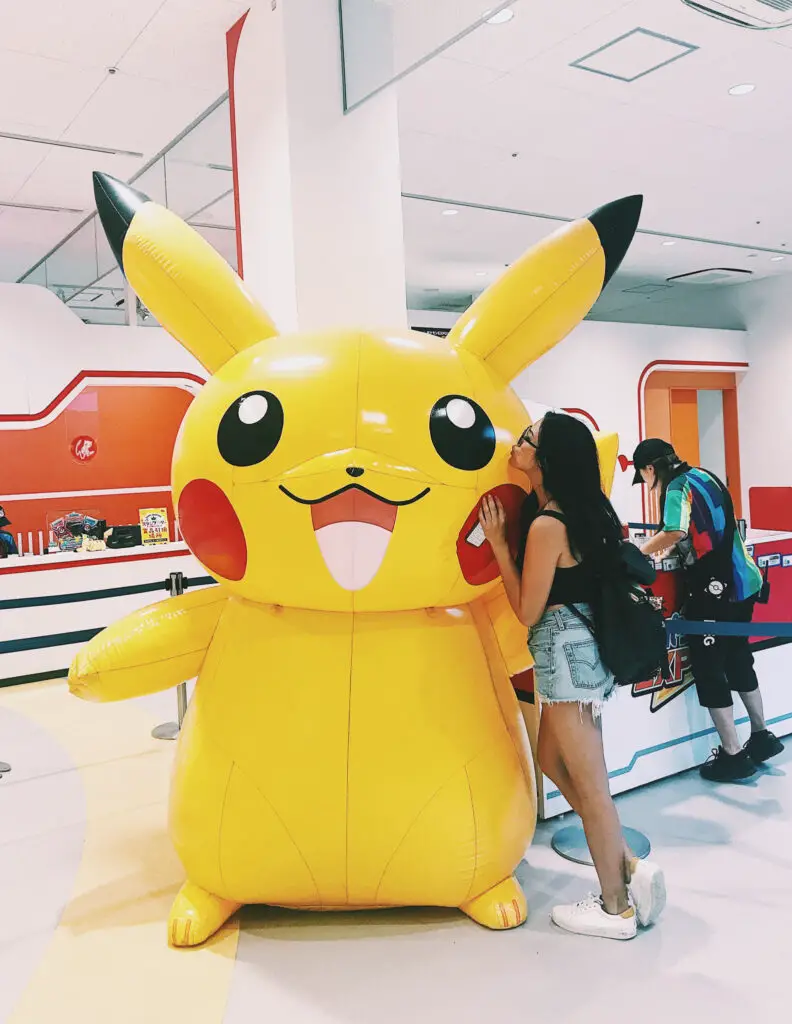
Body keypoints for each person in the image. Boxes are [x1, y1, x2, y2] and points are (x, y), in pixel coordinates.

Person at [479, 412, 665, 941]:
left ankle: (615, 908)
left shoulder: (546, 526)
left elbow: (527, 610)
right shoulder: (586, 513)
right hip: (581, 656)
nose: (516, 445)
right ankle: (625, 863)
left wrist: (497, 545)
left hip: (563, 659)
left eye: (526, 440)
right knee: (552, 760)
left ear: (544, 460)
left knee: (591, 785)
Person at [632, 439, 783, 782]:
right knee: (738, 656)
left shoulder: (675, 487)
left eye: (643, 475)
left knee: (710, 666)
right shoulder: (704, 475)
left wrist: (640, 551)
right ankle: (761, 736)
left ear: (651, 469)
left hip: (715, 588)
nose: (646, 482)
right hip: (745, 581)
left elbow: (675, 531)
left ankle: (732, 754)